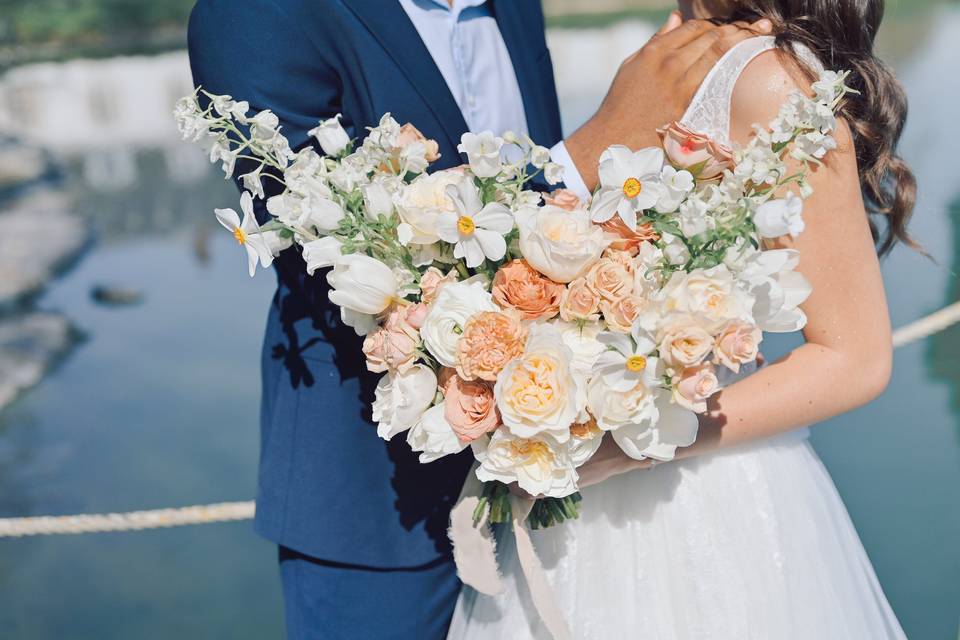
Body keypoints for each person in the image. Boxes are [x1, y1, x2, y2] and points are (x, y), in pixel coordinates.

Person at [186, 1, 766, 638]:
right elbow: (337, 260)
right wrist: (601, 143)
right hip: (375, 503)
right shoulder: (257, 13)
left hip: (565, 470)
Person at [448, 0, 914, 638]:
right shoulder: (677, 46)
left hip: (704, 498)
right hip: (581, 490)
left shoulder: (772, 79)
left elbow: (855, 358)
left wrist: (624, 450)